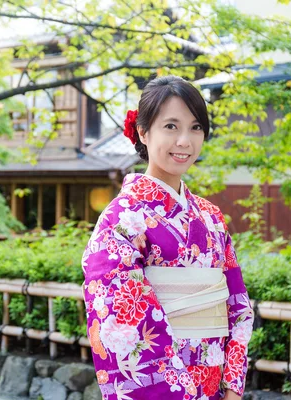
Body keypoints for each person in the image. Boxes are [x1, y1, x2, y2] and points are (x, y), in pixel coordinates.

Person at [82, 76, 253, 399]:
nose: (185, 141)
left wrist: (232, 386)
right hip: (165, 389)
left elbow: (238, 306)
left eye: (195, 128)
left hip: (216, 388)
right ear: (143, 132)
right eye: (171, 127)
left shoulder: (212, 218)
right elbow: (121, 318)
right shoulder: (121, 220)